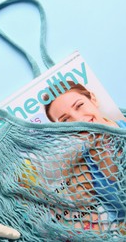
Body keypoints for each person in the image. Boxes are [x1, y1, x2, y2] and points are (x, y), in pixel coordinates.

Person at [43, 80, 126, 232]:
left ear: (92, 98)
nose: (78, 119)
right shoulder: (80, 170)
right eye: (65, 120)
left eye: (79, 106)